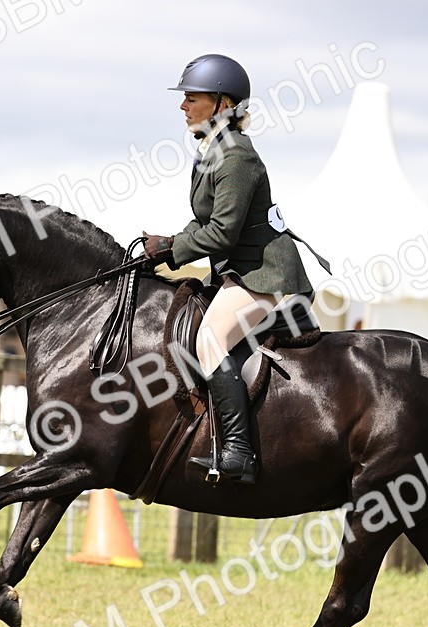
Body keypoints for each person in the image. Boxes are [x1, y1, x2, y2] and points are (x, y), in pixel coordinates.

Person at [142, 54, 316, 484]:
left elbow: (221, 234)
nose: (183, 105)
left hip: (265, 273)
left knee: (211, 339)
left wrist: (173, 251)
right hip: (239, 270)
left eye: (192, 98)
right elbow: (204, 222)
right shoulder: (212, 151)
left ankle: (239, 452)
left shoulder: (237, 156)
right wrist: (166, 244)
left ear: (223, 104)